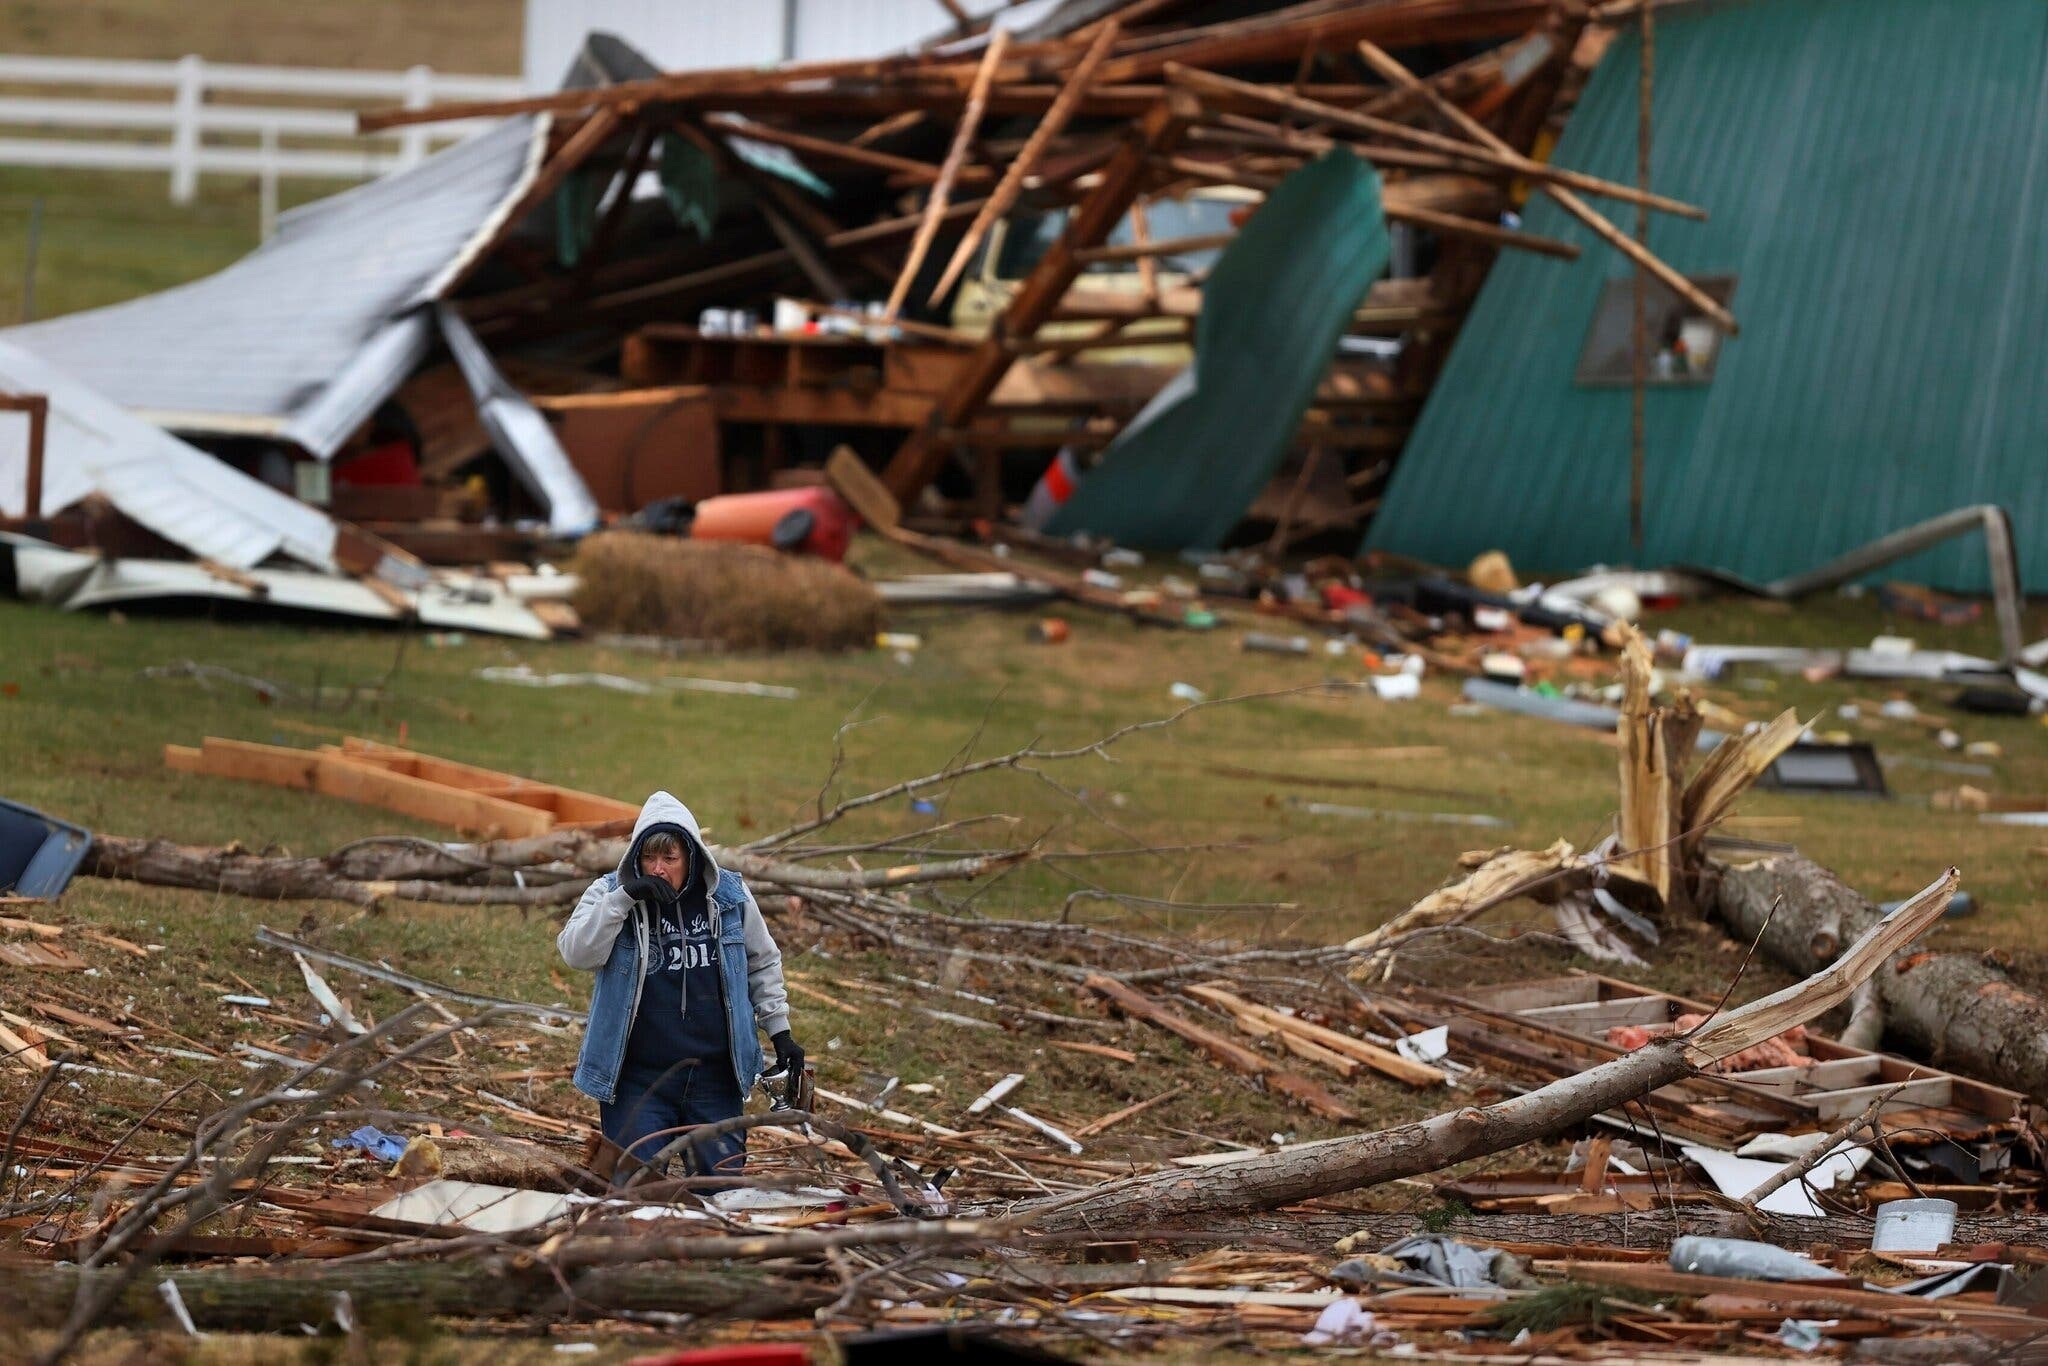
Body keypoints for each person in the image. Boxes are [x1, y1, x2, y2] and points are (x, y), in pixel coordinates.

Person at [558, 791, 803, 1186]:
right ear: (634, 858)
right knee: (633, 1190)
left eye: (669, 859)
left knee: (720, 1189)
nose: (657, 869)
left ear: (691, 857)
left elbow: (763, 960)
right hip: (638, 1079)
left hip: (715, 1078)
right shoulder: (609, 894)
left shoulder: (730, 897)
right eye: (648, 858)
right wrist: (624, 898)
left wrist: (781, 1032)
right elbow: (576, 953)